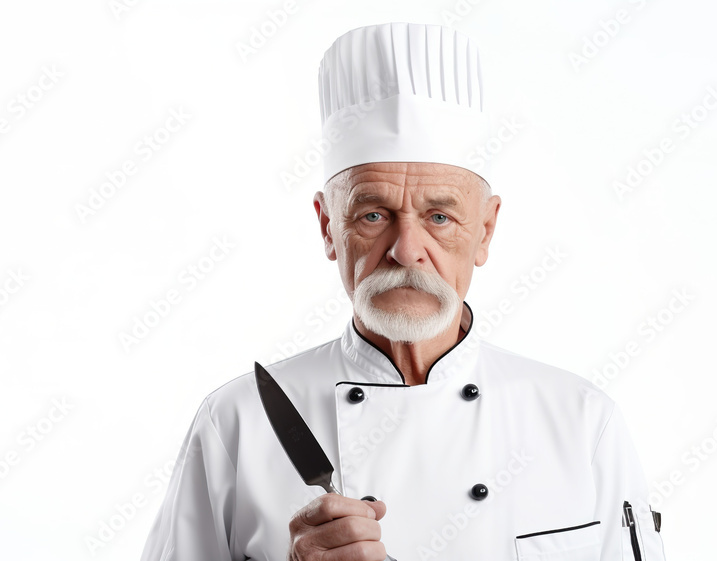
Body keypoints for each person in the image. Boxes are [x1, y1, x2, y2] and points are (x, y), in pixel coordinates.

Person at [140, 22, 668, 561]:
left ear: (484, 230)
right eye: (373, 214)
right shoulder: (238, 423)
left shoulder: (582, 424)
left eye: (440, 216)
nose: (406, 249)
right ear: (328, 228)